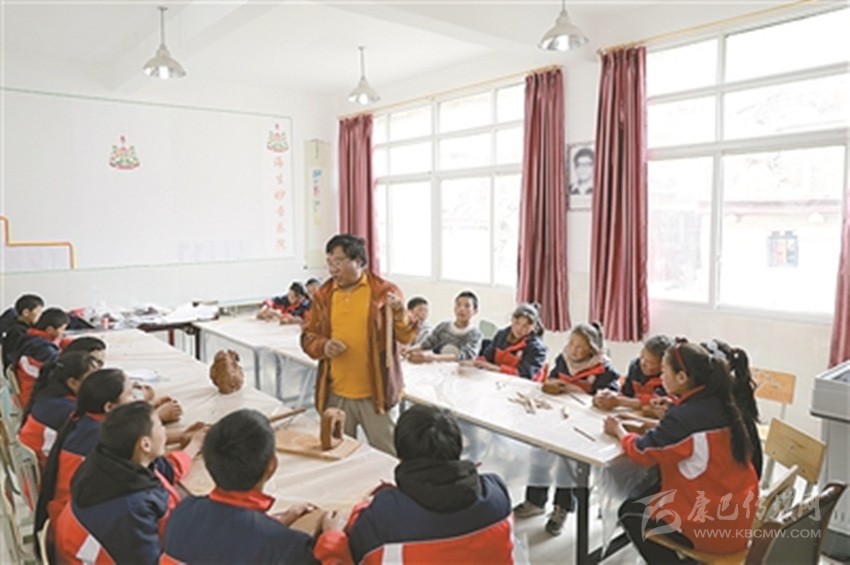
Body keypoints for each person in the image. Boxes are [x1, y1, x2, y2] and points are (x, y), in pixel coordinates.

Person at [603, 341, 760, 562]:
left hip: (711, 526)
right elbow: (685, 436)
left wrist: (618, 430)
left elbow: (642, 451)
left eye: (664, 371)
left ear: (682, 377)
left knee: (630, 512)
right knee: (649, 493)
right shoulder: (723, 403)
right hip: (739, 516)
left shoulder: (684, 417)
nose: (661, 377)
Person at [315, 405, 514, 564]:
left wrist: (332, 537)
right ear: (458, 449)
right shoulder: (497, 494)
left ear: (400, 455)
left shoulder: (383, 519)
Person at [163, 409, 334, 564]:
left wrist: (278, 522)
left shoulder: (182, 512)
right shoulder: (288, 547)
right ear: (272, 465)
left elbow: (230, 538)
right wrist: (332, 537)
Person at [301, 234, 418, 455]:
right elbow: (309, 337)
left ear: (359, 262)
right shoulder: (324, 296)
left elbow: (406, 337)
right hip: (336, 393)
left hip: (377, 394)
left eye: (338, 262)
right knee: (338, 454)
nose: (332, 269)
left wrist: (400, 314)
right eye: (329, 263)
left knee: (388, 455)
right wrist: (324, 346)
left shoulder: (384, 293)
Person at [54, 401, 204, 565]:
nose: (164, 430)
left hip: (74, 546)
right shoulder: (133, 507)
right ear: (145, 444)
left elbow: (166, 470)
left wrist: (192, 442)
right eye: (161, 426)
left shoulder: (108, 461)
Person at [514, 321, 619, 536]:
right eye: (572, 344)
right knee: (539, 452)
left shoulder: (604, 369)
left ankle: (561, 508)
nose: (574, 350)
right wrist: (553, 384)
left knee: (566, 464)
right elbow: (550, 379)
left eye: (580, 347)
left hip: (583, 427)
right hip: (555, 419)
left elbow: (609, 398)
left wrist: (581, 391)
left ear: (592, 349)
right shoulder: (564, 360)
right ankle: (535, 501)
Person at [18, 351, 103, 468]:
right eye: (93, 379)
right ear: (73, 383)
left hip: (33, 463)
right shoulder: (68, 409)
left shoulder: (50, 396)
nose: (100, 383)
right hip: (44, 468)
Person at [593, 334, 672, 416]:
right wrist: (605, 397)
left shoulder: (667, 380)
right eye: (642, 357)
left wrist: (620, 401)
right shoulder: (635, 367)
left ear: (663, 365)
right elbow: (626, 393)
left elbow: (656, 403)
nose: (643, 363)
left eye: (650, 362)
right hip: (632, 413)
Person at [470, 303, 547, 381]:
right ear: (512, 320)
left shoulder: (537, 348)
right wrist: (477, 363)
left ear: (533, 327)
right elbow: (487, 357)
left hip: (520, 384)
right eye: (517, 323)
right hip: (497, 379)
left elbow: (524, 374)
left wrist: (494, 368)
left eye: (525, 326)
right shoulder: (501, 335)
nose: (519, 329)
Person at [11, 307, 69, 407]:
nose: (64, 333)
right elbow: (60, 373)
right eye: (63, 329)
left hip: (28, 392)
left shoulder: (31, 338)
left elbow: (59, 342)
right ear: (50, 330)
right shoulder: (45, 350)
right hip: (36, 401)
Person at [406, 291, 481, 364]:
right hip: (439, 367)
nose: (461, 309)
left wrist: (434, 357)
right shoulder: (443, 326)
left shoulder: (475, 334)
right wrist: (408, 350)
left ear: (475, 311)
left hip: (461, 369)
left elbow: (466, 356)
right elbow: (427, 344)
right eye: (458, 305)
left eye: (467, 306)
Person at [1, 293, 44, 370]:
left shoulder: (20, 327)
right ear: (26, 313)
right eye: (38, 311)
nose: (41, 315)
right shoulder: (18, 332)